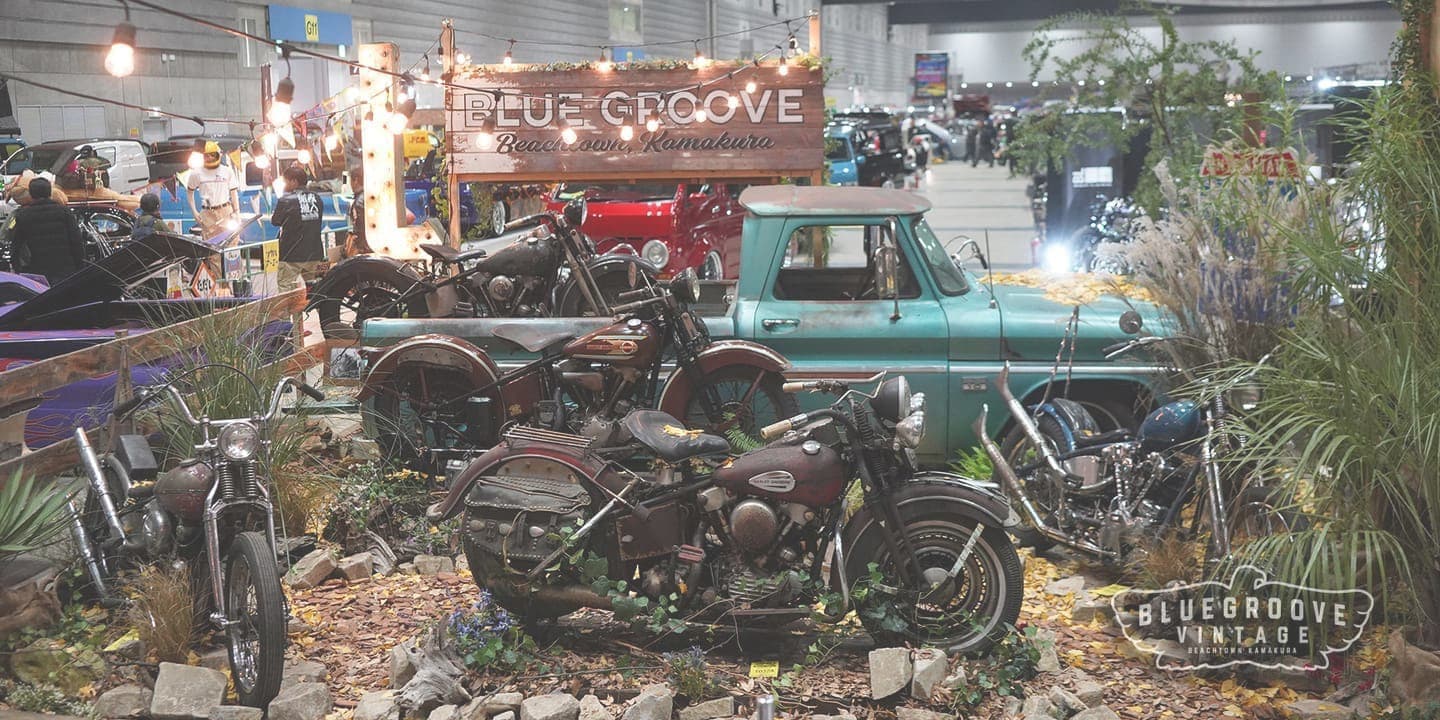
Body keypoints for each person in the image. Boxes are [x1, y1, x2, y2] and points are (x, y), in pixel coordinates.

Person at [5, 177, 86, 284]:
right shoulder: (64, 212)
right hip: (65, 268)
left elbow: (16, 245)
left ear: (31, 194)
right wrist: (80, 266)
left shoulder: (23, 215)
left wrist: (18, 269)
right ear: (49, 192)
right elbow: (76, 241)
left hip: (39, 270)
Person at [271, 165, 324, 292]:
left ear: (294, 181)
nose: (284, 185)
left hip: (291, 254)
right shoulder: (317, 198)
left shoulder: (286, 200)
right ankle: (318, 305)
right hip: (315, 252)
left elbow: (275, 221)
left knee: (286, 288)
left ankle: (293, 307)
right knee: (315, 289)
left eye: (285, 182)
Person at [185, 141, 240, 239]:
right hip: (207, 213)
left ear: (219, 154)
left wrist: (237, 212)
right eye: (207, 155)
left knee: (231, 239)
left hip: (226, 211)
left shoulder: (227, 171)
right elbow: (189, 192)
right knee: (210, 243)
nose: (210, 157)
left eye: (213, 155)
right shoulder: (196, 173)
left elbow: (233, 193)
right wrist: (194, 212)